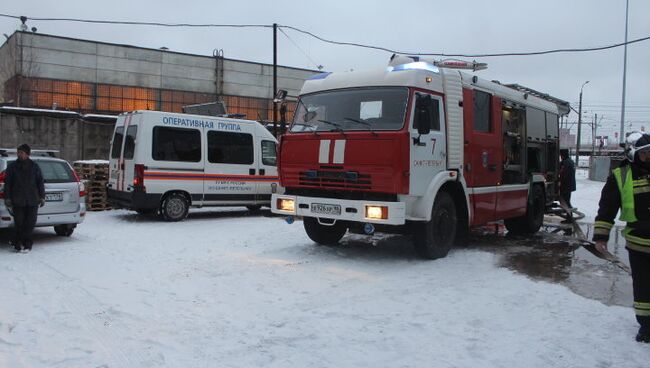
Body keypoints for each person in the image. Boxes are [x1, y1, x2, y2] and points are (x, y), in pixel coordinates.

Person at [593, 131, 650, 343]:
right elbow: (607, 208)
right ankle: (647, 328)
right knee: (644, 288)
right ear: (633, 154)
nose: (649, 157)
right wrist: (600, 236)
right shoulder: (621, 175)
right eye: (645, 154)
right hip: (639, 244)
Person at [3, 144, 45, 253]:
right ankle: (17, 243)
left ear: (27, 154)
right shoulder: (12, 167)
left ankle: (27, 244)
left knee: (30, 223)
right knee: (19, 223)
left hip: (32, 200)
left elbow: (40, 182)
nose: (19, 154)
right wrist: (7, 198)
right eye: (18, 152)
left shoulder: (34, 166)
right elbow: (7, 184)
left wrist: (42, 196)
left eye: (22, 152)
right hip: (18, 200)